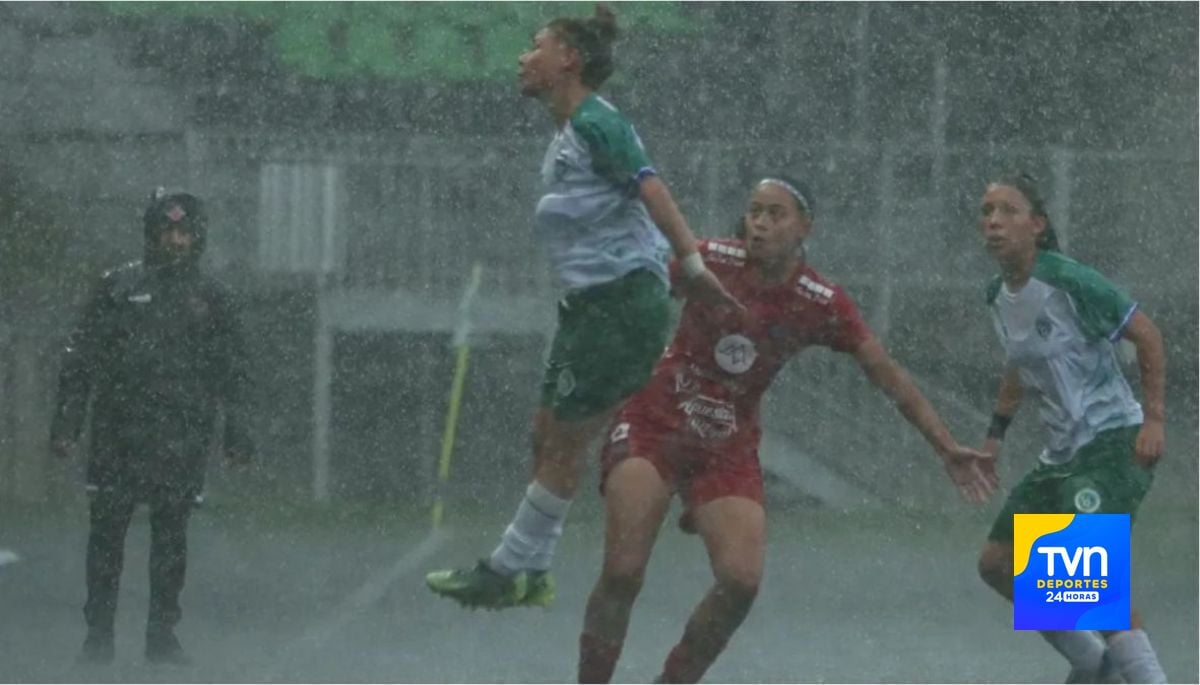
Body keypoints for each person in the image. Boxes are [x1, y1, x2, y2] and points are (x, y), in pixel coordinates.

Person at [577, 176, 997, 683]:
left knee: (741, 580)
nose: (759, 224)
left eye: (1005, 212)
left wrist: (945, 445)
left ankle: (1095, 643)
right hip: (657, 421)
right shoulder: (709, 260)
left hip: (726, 445)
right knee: (623, 572)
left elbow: (885, 372)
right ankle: (1093, 643)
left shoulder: (1050, 292)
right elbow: (633, 297)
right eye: (755, 211)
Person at [425, 4, 737, 610]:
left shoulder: (597, 122)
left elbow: (651, 187)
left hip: (619, 304)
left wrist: (693, 266)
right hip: (589, 307)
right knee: (546, 436)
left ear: (567, 59)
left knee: (567, 442)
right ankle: (534, 570)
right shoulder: (570, 132)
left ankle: (506, 570)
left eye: (535, 46)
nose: (522, 57)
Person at [973, 173, 1168, 683]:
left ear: (1037, 225)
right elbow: (1019, 367)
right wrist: (994, 438)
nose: (993, 221)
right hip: (1061, 455)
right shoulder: (996, 294)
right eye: (987, 211)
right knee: (997, 563)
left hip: (1113, 443)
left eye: (1008, 210)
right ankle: (1095, 665)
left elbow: (1147, 335)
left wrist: (1154, 418)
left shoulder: (1069, 280)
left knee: (1085, 580)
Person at [50, 188, 255, 666]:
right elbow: (80, 362)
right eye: (167, 231)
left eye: (184, 232)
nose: (176, 241)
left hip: (181, 436)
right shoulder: (117, 289)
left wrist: (239, 432)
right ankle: (98, 637)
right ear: (152, 234)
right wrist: (66, 424)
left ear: (198, 237)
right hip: (118, 434)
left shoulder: (212, 298)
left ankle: (161, 636)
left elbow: (235, 371)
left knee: (170, 540)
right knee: (106, 537)